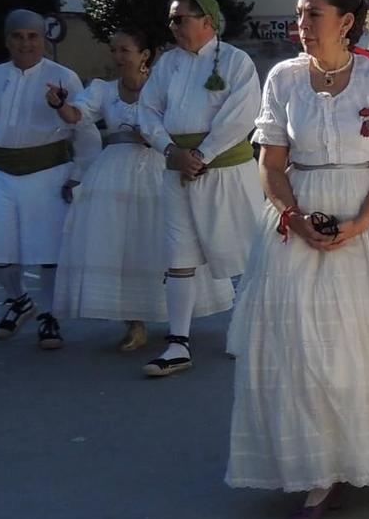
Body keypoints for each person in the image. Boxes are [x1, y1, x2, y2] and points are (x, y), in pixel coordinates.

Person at [225, 0, 369, 519]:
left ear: (346, 22)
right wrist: (294, 217)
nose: (301, 24)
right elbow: (271, 163)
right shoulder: (281, 78)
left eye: (313, 14)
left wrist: (360, 223)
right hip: (298, 216)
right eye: (300, 15)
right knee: (303, 344)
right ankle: (319, 470)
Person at [52, 30, 233, 351]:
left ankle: (174, 316)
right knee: (123, 243)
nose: (119, 57)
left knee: (164, 241)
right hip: (115, 173)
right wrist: (59, 104)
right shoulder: (104, 91)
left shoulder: (164, 88)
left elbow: (184, 120)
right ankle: (133, 322)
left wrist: (156, 136)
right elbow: (77, 116)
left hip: (158, 167)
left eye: (125, 50)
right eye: (114, 50)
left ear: (144, 54)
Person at [138, 0, 265, 377]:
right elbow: (147, 109)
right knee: (179, 255)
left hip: (224, 171)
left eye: (180, 18)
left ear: (207, 21)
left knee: (244, 254)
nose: (173, 26)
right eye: (172, 19)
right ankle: (178, 342)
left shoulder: (235, 61)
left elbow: (242, 115)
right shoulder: (168, 64)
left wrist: (202, 155)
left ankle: (251, 334)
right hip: (178, 169)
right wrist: (169, 150)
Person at [0, 9, 98, 351]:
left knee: (49, 252)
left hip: (50, 173)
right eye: (18, 36)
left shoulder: (63, 77)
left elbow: (84, 131)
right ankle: (20, 301)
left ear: (44, 39)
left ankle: (49, 316)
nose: (25, 43)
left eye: (32, 36)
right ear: (7, 40)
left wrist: (79, 174)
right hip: (3, 174)